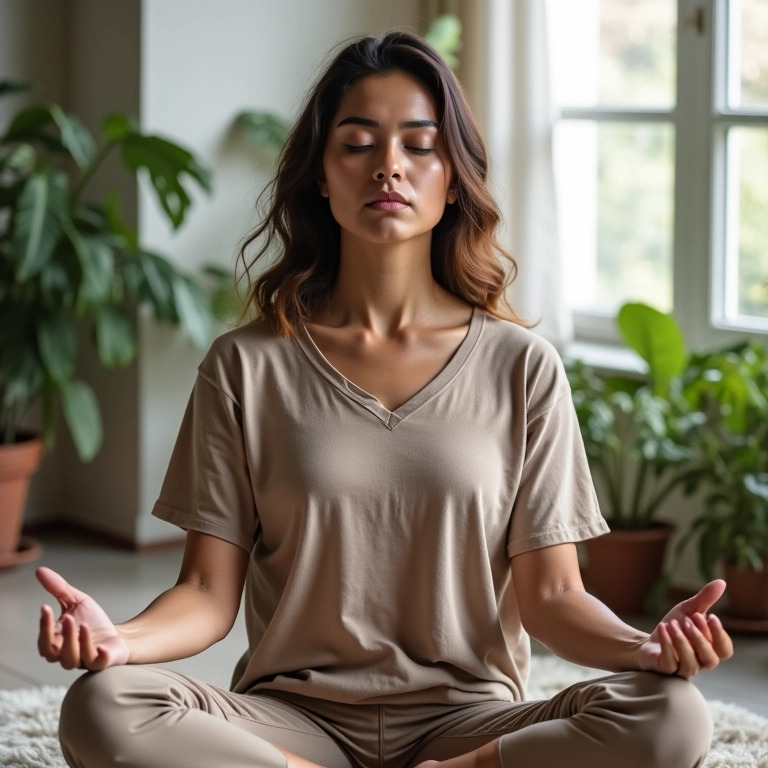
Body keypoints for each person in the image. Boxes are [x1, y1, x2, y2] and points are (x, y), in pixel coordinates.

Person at [36, 29, 731, 768]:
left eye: (419, 146)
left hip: (470, 725)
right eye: (358, 143)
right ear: (320, 178)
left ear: (454, 178)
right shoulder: (245, 366)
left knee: (673, 716)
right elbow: (207, 592)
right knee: (104, 705)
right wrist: (120, 639)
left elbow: (554, 601)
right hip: (291, 720)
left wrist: (647, 646)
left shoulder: (522, 367)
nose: (389, 167)